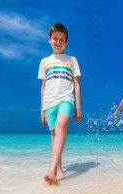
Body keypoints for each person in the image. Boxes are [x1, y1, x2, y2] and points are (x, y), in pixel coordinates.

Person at [38, 23, 82, 185]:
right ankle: (58, 169)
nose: (58, 42)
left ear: (66, 42)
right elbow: (43, 87)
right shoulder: (44, 61)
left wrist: (78, 107)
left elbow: (76, 84)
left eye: (62, 39)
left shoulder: (71, 60)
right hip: (49, 101)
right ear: (49, 40)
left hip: (66, 98)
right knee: (54, 135)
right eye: (55, 39)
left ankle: (51, 170)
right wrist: (42, 110)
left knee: (62, 123)